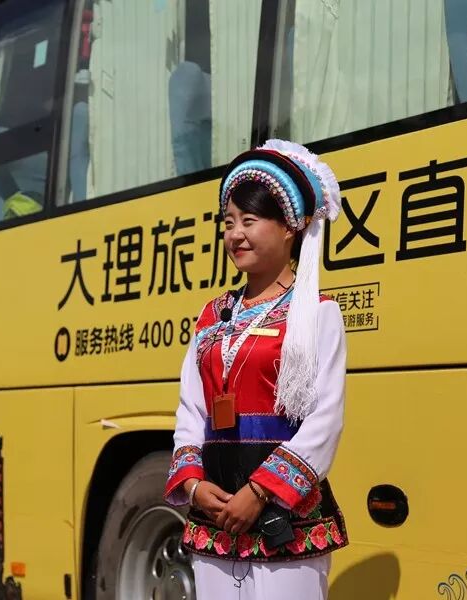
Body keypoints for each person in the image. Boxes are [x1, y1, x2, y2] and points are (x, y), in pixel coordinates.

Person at [164, 139, 348, 599]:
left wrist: (260, 491)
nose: (235, 235)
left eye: (249, 221)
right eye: (228, 223)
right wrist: (194, 485)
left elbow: (325, 418)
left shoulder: (317, 312)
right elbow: (192, 409)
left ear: (290, 227)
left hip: (283, 517)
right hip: (214, 515)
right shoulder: (212, 315)